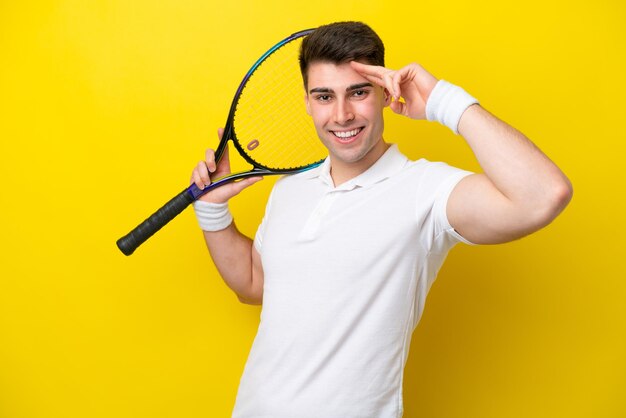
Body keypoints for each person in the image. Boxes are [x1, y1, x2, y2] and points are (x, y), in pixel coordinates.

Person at [190, 22, 572, 418]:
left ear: (386, 94)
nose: (341, 115)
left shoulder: (427, 191)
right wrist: (213, 209)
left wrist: (444, 102)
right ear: (307, 101)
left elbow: (543, 196)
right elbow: (254, 284)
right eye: (324, 96)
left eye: (358, 93)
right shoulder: (291, 189)